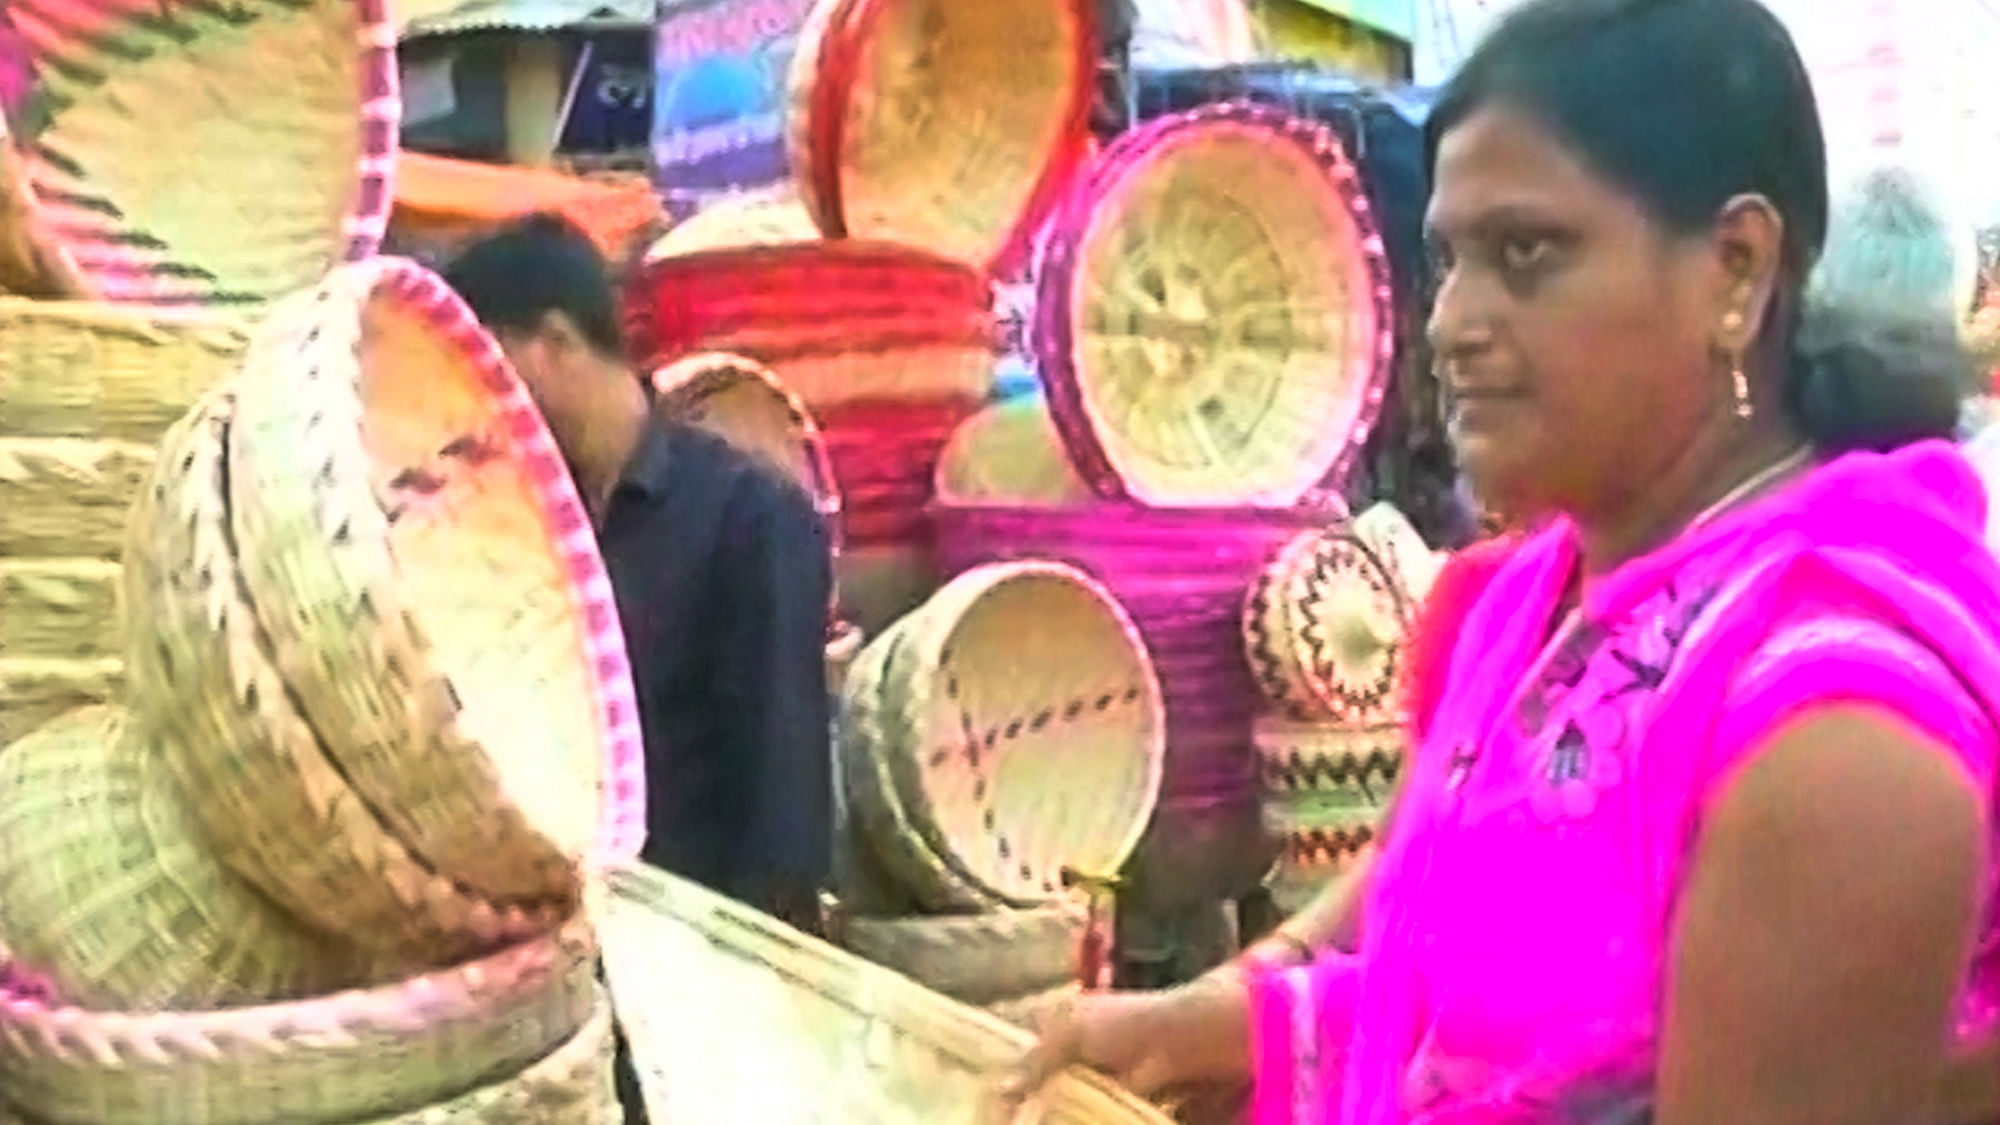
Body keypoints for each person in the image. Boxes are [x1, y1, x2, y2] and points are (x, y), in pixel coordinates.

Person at [999, 1, 2000, 1122]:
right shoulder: (1541, 597)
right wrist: (1202, 1026)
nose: (1454, 322)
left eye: (1526, 254)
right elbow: (1450, 1001)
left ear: (1734, 267)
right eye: (1449, 259)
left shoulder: (1837, 736)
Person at [441, 213, 834, 921]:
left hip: (693, 954)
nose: (477, 401)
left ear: (557, 342)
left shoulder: (750, 517)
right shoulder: (515, 523)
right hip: (560, 950)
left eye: (487, 367)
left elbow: (784, 797)